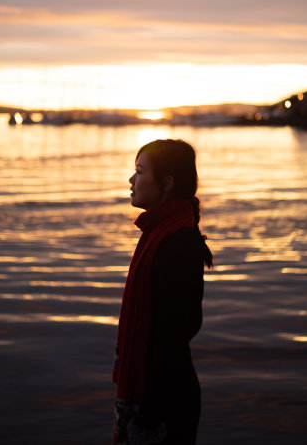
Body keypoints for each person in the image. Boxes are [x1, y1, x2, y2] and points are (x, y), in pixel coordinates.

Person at [112, 139, 213, 444]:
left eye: (140, 172)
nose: (132, 180)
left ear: (167, 183)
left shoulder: (177, 244)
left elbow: (176, 332)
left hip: (163, 402)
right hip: (158, 394)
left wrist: (149, 413)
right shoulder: (159, 233)